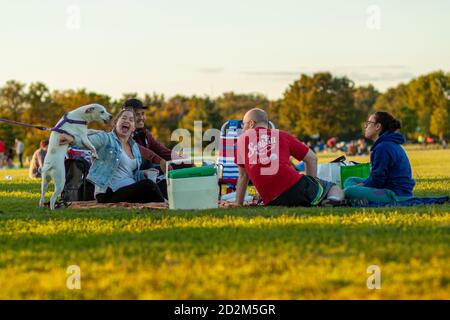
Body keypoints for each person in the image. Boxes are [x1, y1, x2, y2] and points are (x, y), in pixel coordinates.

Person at [234, 108, 344, 207]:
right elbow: (312, 158)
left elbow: (243, 176)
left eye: (243, 124)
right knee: (333, 187)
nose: (243, 128)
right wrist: (312, 184)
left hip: (272, 200)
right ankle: (332, 200)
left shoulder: (241, 141)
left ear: (251, 123)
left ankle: (314, 198)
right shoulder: (282, 135)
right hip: (294, 187)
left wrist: (238, 203)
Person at [59, 108, 165, 204]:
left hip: (128, 189)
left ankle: (165, 203)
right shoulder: (106, 139)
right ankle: (166, 205)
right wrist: (72, 140)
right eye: (123, 118)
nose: (127, 121)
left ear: (133, 128)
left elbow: (129, 174)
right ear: (116, 123)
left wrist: (144, 173)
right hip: (109, 193)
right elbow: (89, 142)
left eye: (131, 120)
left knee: (157, 183)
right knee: (148, 185)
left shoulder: (134, 147)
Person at [344, 111, 415, 203]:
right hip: (386, 187)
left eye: (369, 123)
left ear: (378, 127)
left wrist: (357, 188)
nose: (365, 126)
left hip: (395, 194)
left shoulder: (383, 147)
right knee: (351, 180)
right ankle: (358, 198)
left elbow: (377, 181)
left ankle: (356, 197)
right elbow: (377, 177)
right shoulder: (384, 144)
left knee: (349, 191)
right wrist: (360, 185)